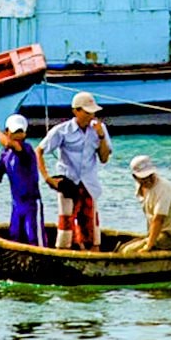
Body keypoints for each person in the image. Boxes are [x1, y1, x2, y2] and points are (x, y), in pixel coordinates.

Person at [38, 91, 112, 250]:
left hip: (89, 183)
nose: (91, 116)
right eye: (87, 112)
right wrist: (47, 178)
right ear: (76, 111)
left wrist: (101, 137)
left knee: (90, 222)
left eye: (93, 112)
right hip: (69, 181)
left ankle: (92, 250)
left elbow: (104, 158)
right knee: (66, 221)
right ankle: (63, 250)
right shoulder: (62, 130)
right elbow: (39, 150)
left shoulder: (100, 129)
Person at [0, 114, 49, 245]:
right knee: (15, 237)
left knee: (34, 239)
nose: (18, 135)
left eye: (21, 132)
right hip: (17, 206)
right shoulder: (6, 154)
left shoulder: (26, 149)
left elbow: (8, 143)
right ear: (7, 132)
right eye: (15, 132)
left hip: (31, 205)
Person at [121, 155, 171, 254]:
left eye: (150, 176)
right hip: (160, 234)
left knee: (128, 251)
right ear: (135, 177)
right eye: (143, 178)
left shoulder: (163, 188)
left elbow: (158, 220)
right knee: (123, 247)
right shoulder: (140, 187)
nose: (148, 180)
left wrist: (148, 246)